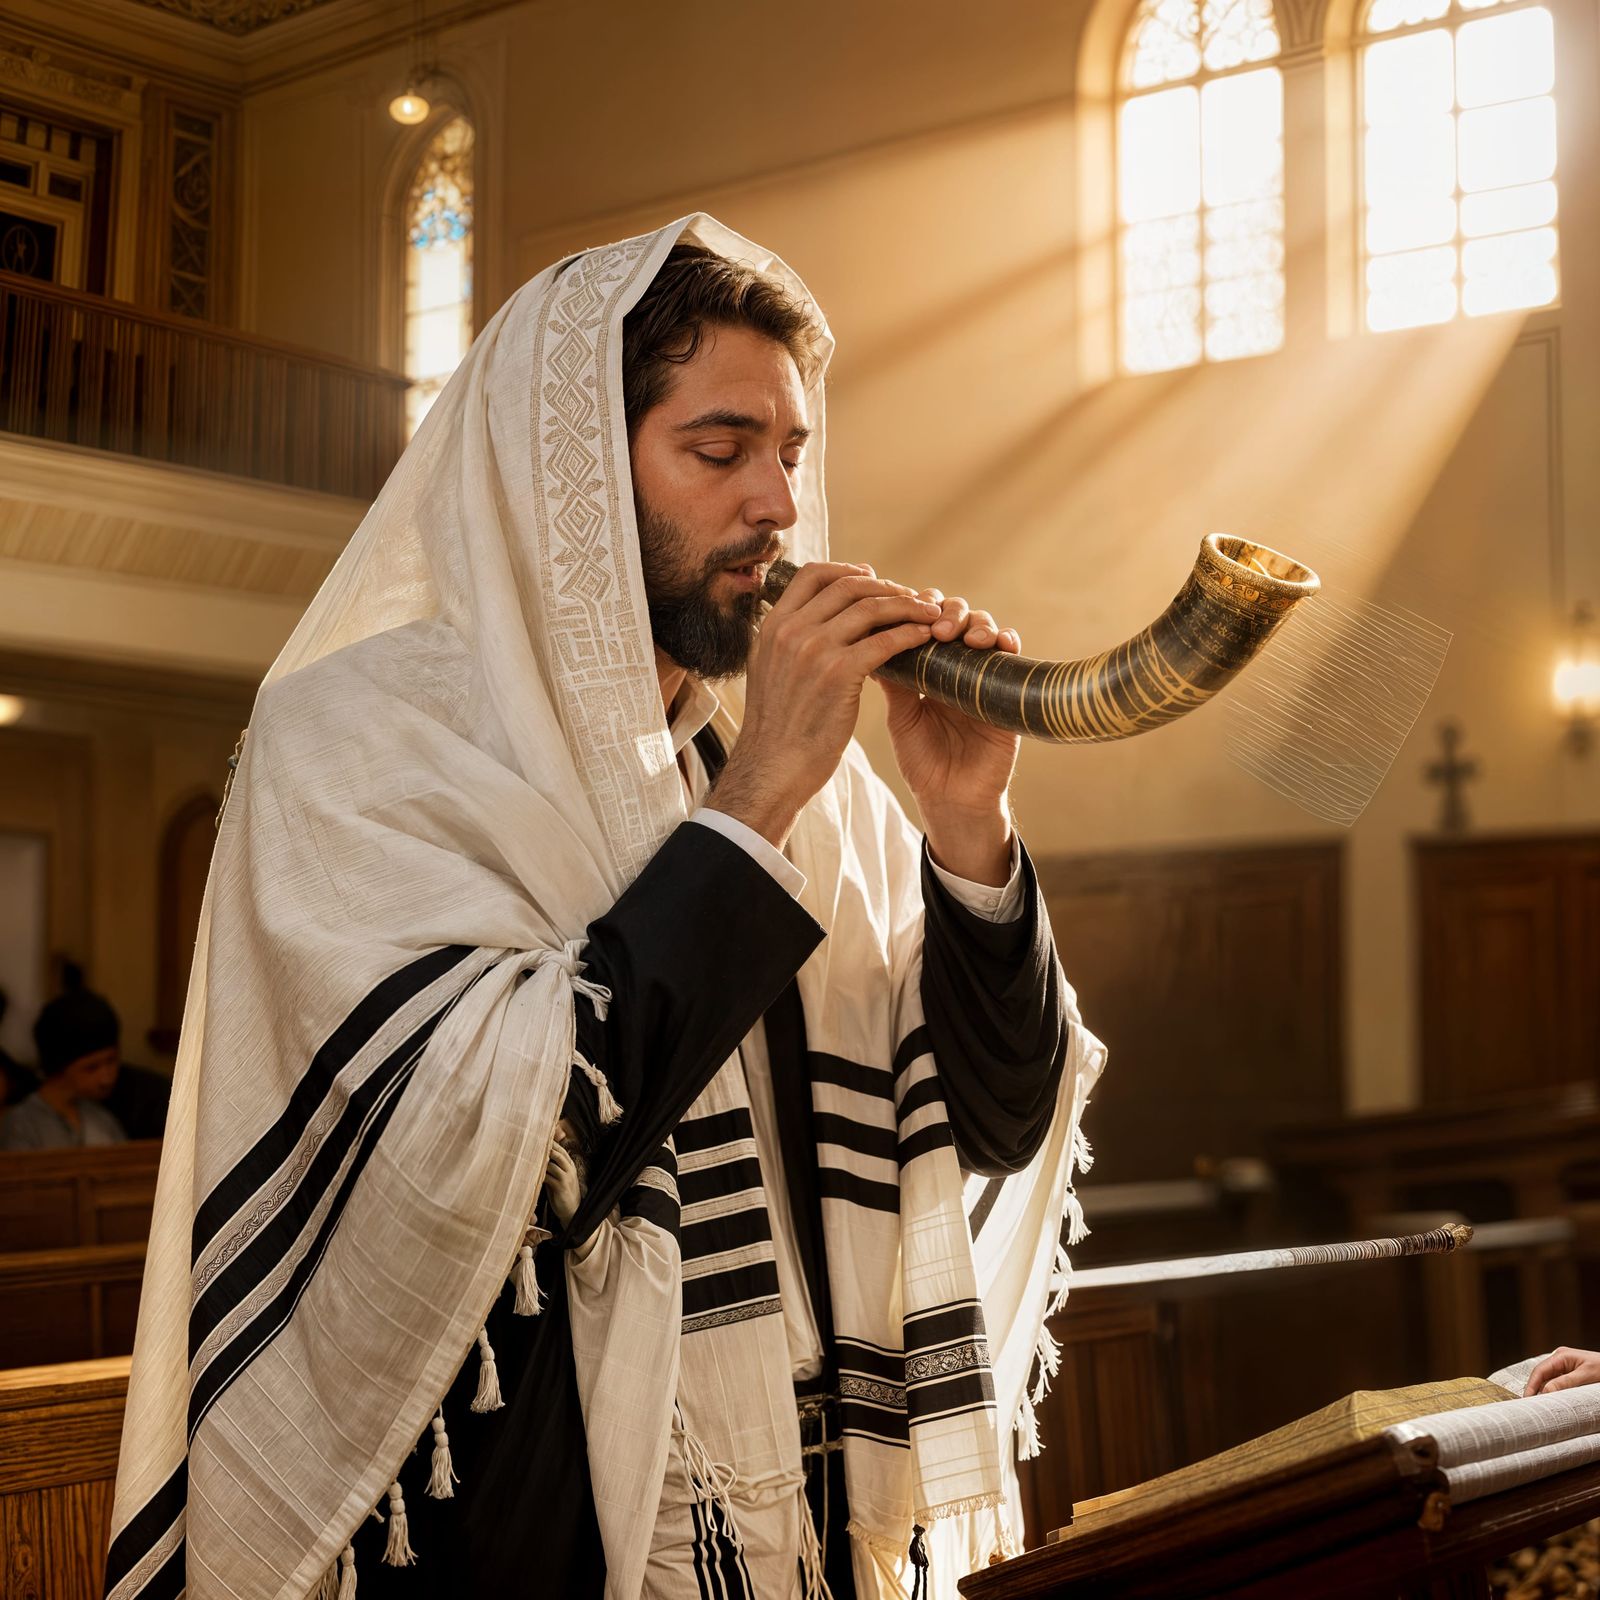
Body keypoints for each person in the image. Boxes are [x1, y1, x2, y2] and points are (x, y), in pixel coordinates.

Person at [106, 218, 1105, 1600]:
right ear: (568, 470)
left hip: (803, 1525)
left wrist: (962, 822)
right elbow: (506, 1156)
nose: (778, 505)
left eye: (792, 454)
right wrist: (750, 805)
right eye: (718, 450)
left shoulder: (811, 790)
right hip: (524, 1527)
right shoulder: (363, 742)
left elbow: (989, 1124)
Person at [0, 970, 127, 1150]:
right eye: (91, 1067)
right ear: (60, 1067)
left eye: (111, 1061)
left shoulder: (102, 1120)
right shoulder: (21, 1124)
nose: (107, 1077)